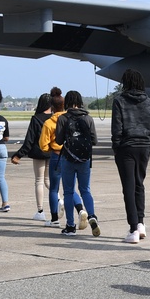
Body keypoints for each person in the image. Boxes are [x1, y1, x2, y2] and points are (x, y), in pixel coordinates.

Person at [112, 69, 150, 244]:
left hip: (127, 147)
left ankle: (133, 228)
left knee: (128, 188)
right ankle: (140, 223)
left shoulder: (119, 101)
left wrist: (116, 148)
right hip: (144, 147)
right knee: (139, 184)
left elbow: (117, 129)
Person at [54, 90, 100, 236]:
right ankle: (92, 216)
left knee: (68, 192)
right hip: (85, 160)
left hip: (68, 158)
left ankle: (70, 226)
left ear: (67, 102)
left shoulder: (63, 118)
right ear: (80, 102)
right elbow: (94, 140)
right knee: (85, 189)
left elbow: (59, 141)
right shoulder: (88, 118)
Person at [39, 89, 84, 228]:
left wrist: (51, 149)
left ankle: (54, 219)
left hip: (56, 156)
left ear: (52, 107)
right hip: (70, 155)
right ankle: (81, 209)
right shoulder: (69, 119)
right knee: (70, 188)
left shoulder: (49, 123)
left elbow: (43, 145)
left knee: (54, 188)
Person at [10, 90, 53, 221]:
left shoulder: (36, 119)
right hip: (52, 152)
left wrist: (18, 155)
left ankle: (40, 211)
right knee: (49, 181)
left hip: (39, 152)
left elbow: (29, 140)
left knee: (39, 181)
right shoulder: (55, 118)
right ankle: (59, 200)